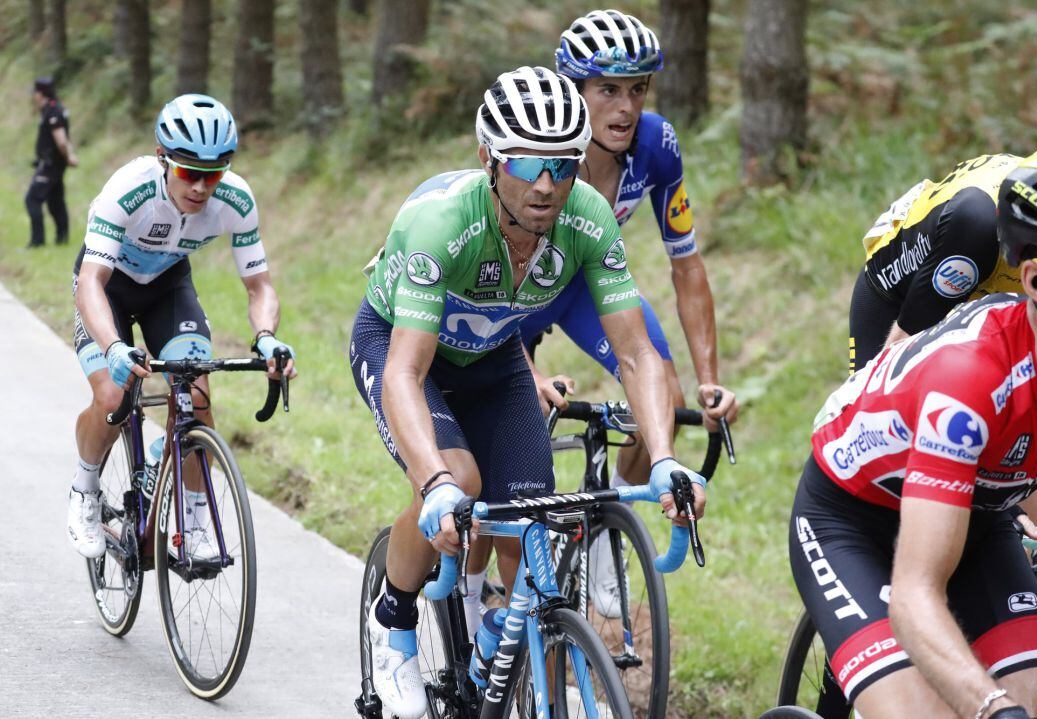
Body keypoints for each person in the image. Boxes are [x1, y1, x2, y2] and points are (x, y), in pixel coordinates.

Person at [348, 66, 706, 719]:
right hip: (403, 350)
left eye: (563, 165)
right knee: (458, 474)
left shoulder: (588, 220)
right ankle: (393, 621)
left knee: (531, 516)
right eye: (526, 162)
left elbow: (636, 353)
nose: (546, 184)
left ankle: (503, 647)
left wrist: (663, 459)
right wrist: (433, 484)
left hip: (492, 359)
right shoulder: (441, 223)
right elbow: (404, 371)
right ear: (488, 157)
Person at [789, 143, 1037, 719]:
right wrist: (990, 705)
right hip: (852, 516)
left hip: (977, 512)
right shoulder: (970, 380)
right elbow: (915, 595)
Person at [507, 8, 737, 618]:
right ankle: (496, 587)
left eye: (638, 90)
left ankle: (611, 523)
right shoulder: (538, 146)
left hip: (586, 284)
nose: (626, 108)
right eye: (608, 89)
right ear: (573, 90)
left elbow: (686, 266)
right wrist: (523, 371)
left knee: (660, 390)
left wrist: (709, 377)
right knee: (512, 421)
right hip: (511, 286)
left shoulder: (657, 146)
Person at [848, 69, 1037, 633]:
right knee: (913, 488)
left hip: (1014, 315)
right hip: (909, 300)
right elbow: (905, 354)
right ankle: (877, 620)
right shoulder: (985, 219)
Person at [67, 94, 296, 561]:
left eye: (213, 174)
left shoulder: (235, 199)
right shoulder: (128, 190)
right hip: (107, 287)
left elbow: (259, 286)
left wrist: (267, 337)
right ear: (162, 158)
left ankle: (193, 521)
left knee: (197, 397)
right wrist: (113, 346)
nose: (201, 187)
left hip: (167, 287)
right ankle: (84, 489)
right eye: (189, 172)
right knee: (113, 395)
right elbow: (91, 280)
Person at [26, 76, 77, 248]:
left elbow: (61, 139)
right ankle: (62, 240)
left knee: (32, 199)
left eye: (35, 93)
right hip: (53, 163)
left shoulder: (53, 110)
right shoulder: (52, 108)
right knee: (56, 201)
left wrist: (69, 155)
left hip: (50, 165)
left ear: (40, 94)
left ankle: (37, 242)